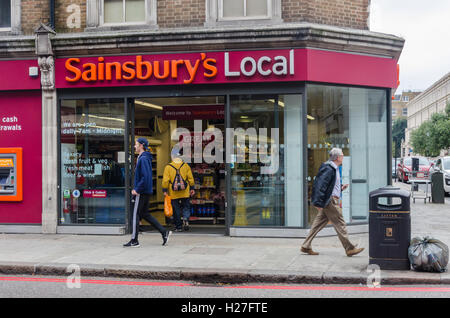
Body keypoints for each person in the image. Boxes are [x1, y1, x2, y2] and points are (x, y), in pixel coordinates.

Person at [301, 148, 364, 257]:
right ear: (337, 157)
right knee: (340, 223)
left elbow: (329, 186)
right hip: (330, 201)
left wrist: (340, 189)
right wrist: (318, 202)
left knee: (317, 224)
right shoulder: (329, 169)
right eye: (342, 155)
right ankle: (349, 248)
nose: (343, 157)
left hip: (329, 199)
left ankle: (306, 245)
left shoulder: (334, 168)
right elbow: (320, 186)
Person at [124, 137, 172, 247]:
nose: (134, 146)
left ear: (141, 145)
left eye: (136, 144)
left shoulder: (143, 158)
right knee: (145, 214)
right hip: (145, 191)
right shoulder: (143, 157)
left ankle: (134, 240)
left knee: (135, 214)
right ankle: (164, 232)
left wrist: (137, 189)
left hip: (141, 192)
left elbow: (145, 177)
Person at [162, 148, 195, 232]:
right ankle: (186, 218)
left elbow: (165, 180)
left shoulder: (168, 167)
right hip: (185, 191)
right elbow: (190, 178)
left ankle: (178, 227)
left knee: (176, 209)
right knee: (186, 207)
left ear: (173, 157)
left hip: (174, 192)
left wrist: (165, 190)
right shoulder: (185, 165)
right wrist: (192, 188)